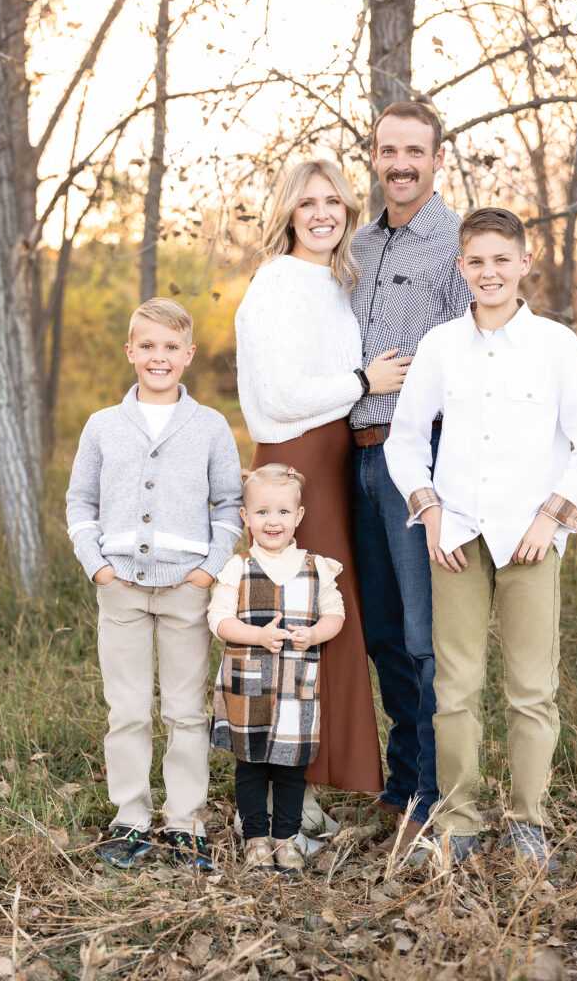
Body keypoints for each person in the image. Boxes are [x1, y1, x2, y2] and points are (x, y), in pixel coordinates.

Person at [385, 207, 577, 870]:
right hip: (453, 535)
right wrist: (427, 512)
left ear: (524, 262)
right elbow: (405, 439)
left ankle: (526, 820)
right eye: (475, 261)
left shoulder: (555, 346)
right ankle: (457, 821)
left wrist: (549, 518)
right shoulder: (439, 346)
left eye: (500, 259)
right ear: (461, 269)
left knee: (530, 690)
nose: (489, 272)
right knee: (454, 688)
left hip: (529, 539)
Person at [235, 159, 411, 807]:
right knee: (293, 619)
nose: (321, 213)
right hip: (294, 464)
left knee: (332, 621)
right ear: (287, 211)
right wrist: (363, 382)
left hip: (336, 466)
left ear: (347, 211)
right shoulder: (276, 283)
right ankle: (287, 795)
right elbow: (279, 396)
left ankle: (311, 784)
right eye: (307, 202)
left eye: (332, 201)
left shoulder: (335, 281)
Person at [66, 297, 243, 871]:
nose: (158, 357)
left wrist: (206, 571)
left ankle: (186, 820)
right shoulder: (103, 425)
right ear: (130, 352)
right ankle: (130, 817)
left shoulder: (211, 426)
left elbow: (230, 507)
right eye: (147, 346)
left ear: (188, 355)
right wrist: (97, 565)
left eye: (171, 347)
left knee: (187, 710)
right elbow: (80, 502)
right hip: (119, 586)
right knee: (129, 709)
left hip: (184, 590)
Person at [349, 101, 472, 851]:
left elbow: (475, 349)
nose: (400, 162)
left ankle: (436, 792)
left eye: (414, 151)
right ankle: (401, 785)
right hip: (353, 454)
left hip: (418, 457)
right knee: (382, 634)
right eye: (388, 149)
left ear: (436, 158)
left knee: (426, 637)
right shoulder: (356, 243)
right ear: (374, 155)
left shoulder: (458, 242)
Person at [208, 464, 345, 872]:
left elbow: (336, 615)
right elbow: (218, 620)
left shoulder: (316, 566)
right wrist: (257, 636)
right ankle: (255, 838)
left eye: (283, 512)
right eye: (263, 512)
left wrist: (315, 634)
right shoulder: (238, 566)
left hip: (295, 690)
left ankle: (286, 839)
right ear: (245, 517)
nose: (273, 521)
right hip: (247, 689)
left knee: (290, 767)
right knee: (250, 768)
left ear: (298, 516)